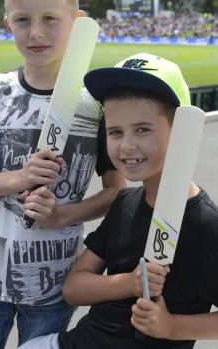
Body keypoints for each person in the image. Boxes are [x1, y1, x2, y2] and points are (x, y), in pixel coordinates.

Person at [0, 0, 125, 348]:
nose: (35, 32)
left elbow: (114, 191)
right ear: (8, 23)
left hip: (53, 284)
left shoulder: (94, 105)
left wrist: (62, 215)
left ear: (76, 22)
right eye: (23, 20)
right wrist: (20, 178)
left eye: (50, 19)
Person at [19, 53, 218, 349]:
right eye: (115, 132)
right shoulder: (125, 202)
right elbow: (74, 289)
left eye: (142, 129)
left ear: (180, 131)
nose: (126, 145)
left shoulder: (205, 225)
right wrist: (129, 283)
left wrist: (173, 326)